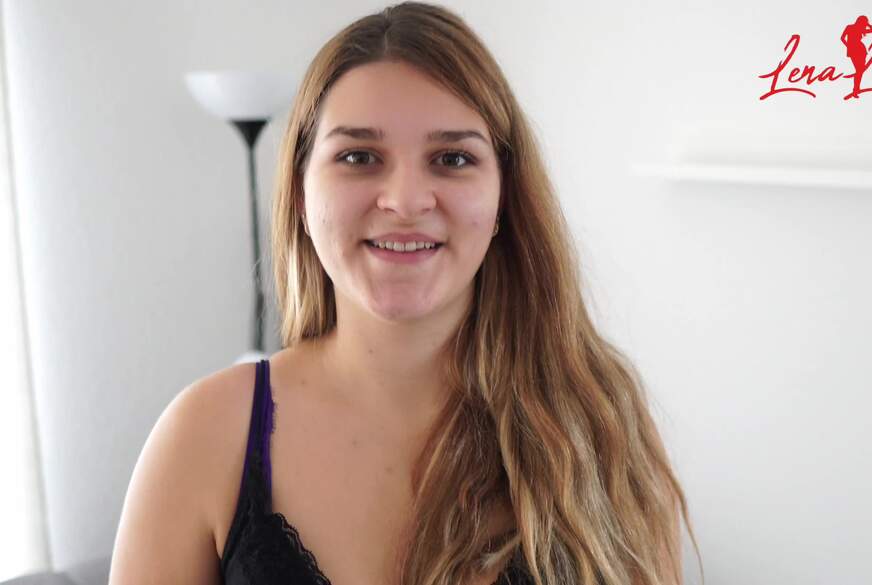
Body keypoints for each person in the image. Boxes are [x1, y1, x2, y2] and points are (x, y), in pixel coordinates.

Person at [109, 2, 702, 584]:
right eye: (358, 156)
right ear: (300, 194)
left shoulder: (600, 423)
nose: (405, 201)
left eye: (452, 158)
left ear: (503, 196)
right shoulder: (206, 435)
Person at [841, 15, 872, 99]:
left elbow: (842, 38)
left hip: (860, 50)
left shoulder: (859, 28)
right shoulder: (850, 27)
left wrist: (867, 24)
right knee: (859, 71)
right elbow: (842, 38)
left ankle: (856, 89)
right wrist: (848, 46)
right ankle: (856, 89)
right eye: (864, 23)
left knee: (859, 71)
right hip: (854, 50)